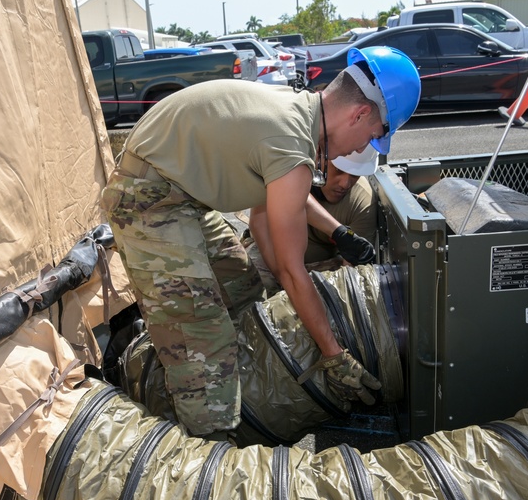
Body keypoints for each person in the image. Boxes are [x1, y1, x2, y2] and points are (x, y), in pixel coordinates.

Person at [101, 46, 421, 437]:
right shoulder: (291, 143)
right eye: (371, 138)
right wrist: (334, 355)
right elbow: (290, 267)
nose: (360, 150)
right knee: (203, 337)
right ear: (359, 114)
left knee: (245, 288)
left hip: (186, 195)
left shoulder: (298, 110)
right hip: (148, 199)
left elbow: (281, 199)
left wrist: (338, 233)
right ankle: (212, 447)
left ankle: (246, 397)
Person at [244, 144, 379, 292]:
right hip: (271, 254)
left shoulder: (362, 202)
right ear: (319, 158)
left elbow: (351, 271)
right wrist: (284, 278)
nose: (345, 184)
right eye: (339, 171)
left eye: (354, 175)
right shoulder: (287, 170)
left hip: (322, 265)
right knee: (248, 286)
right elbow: (258, 225)